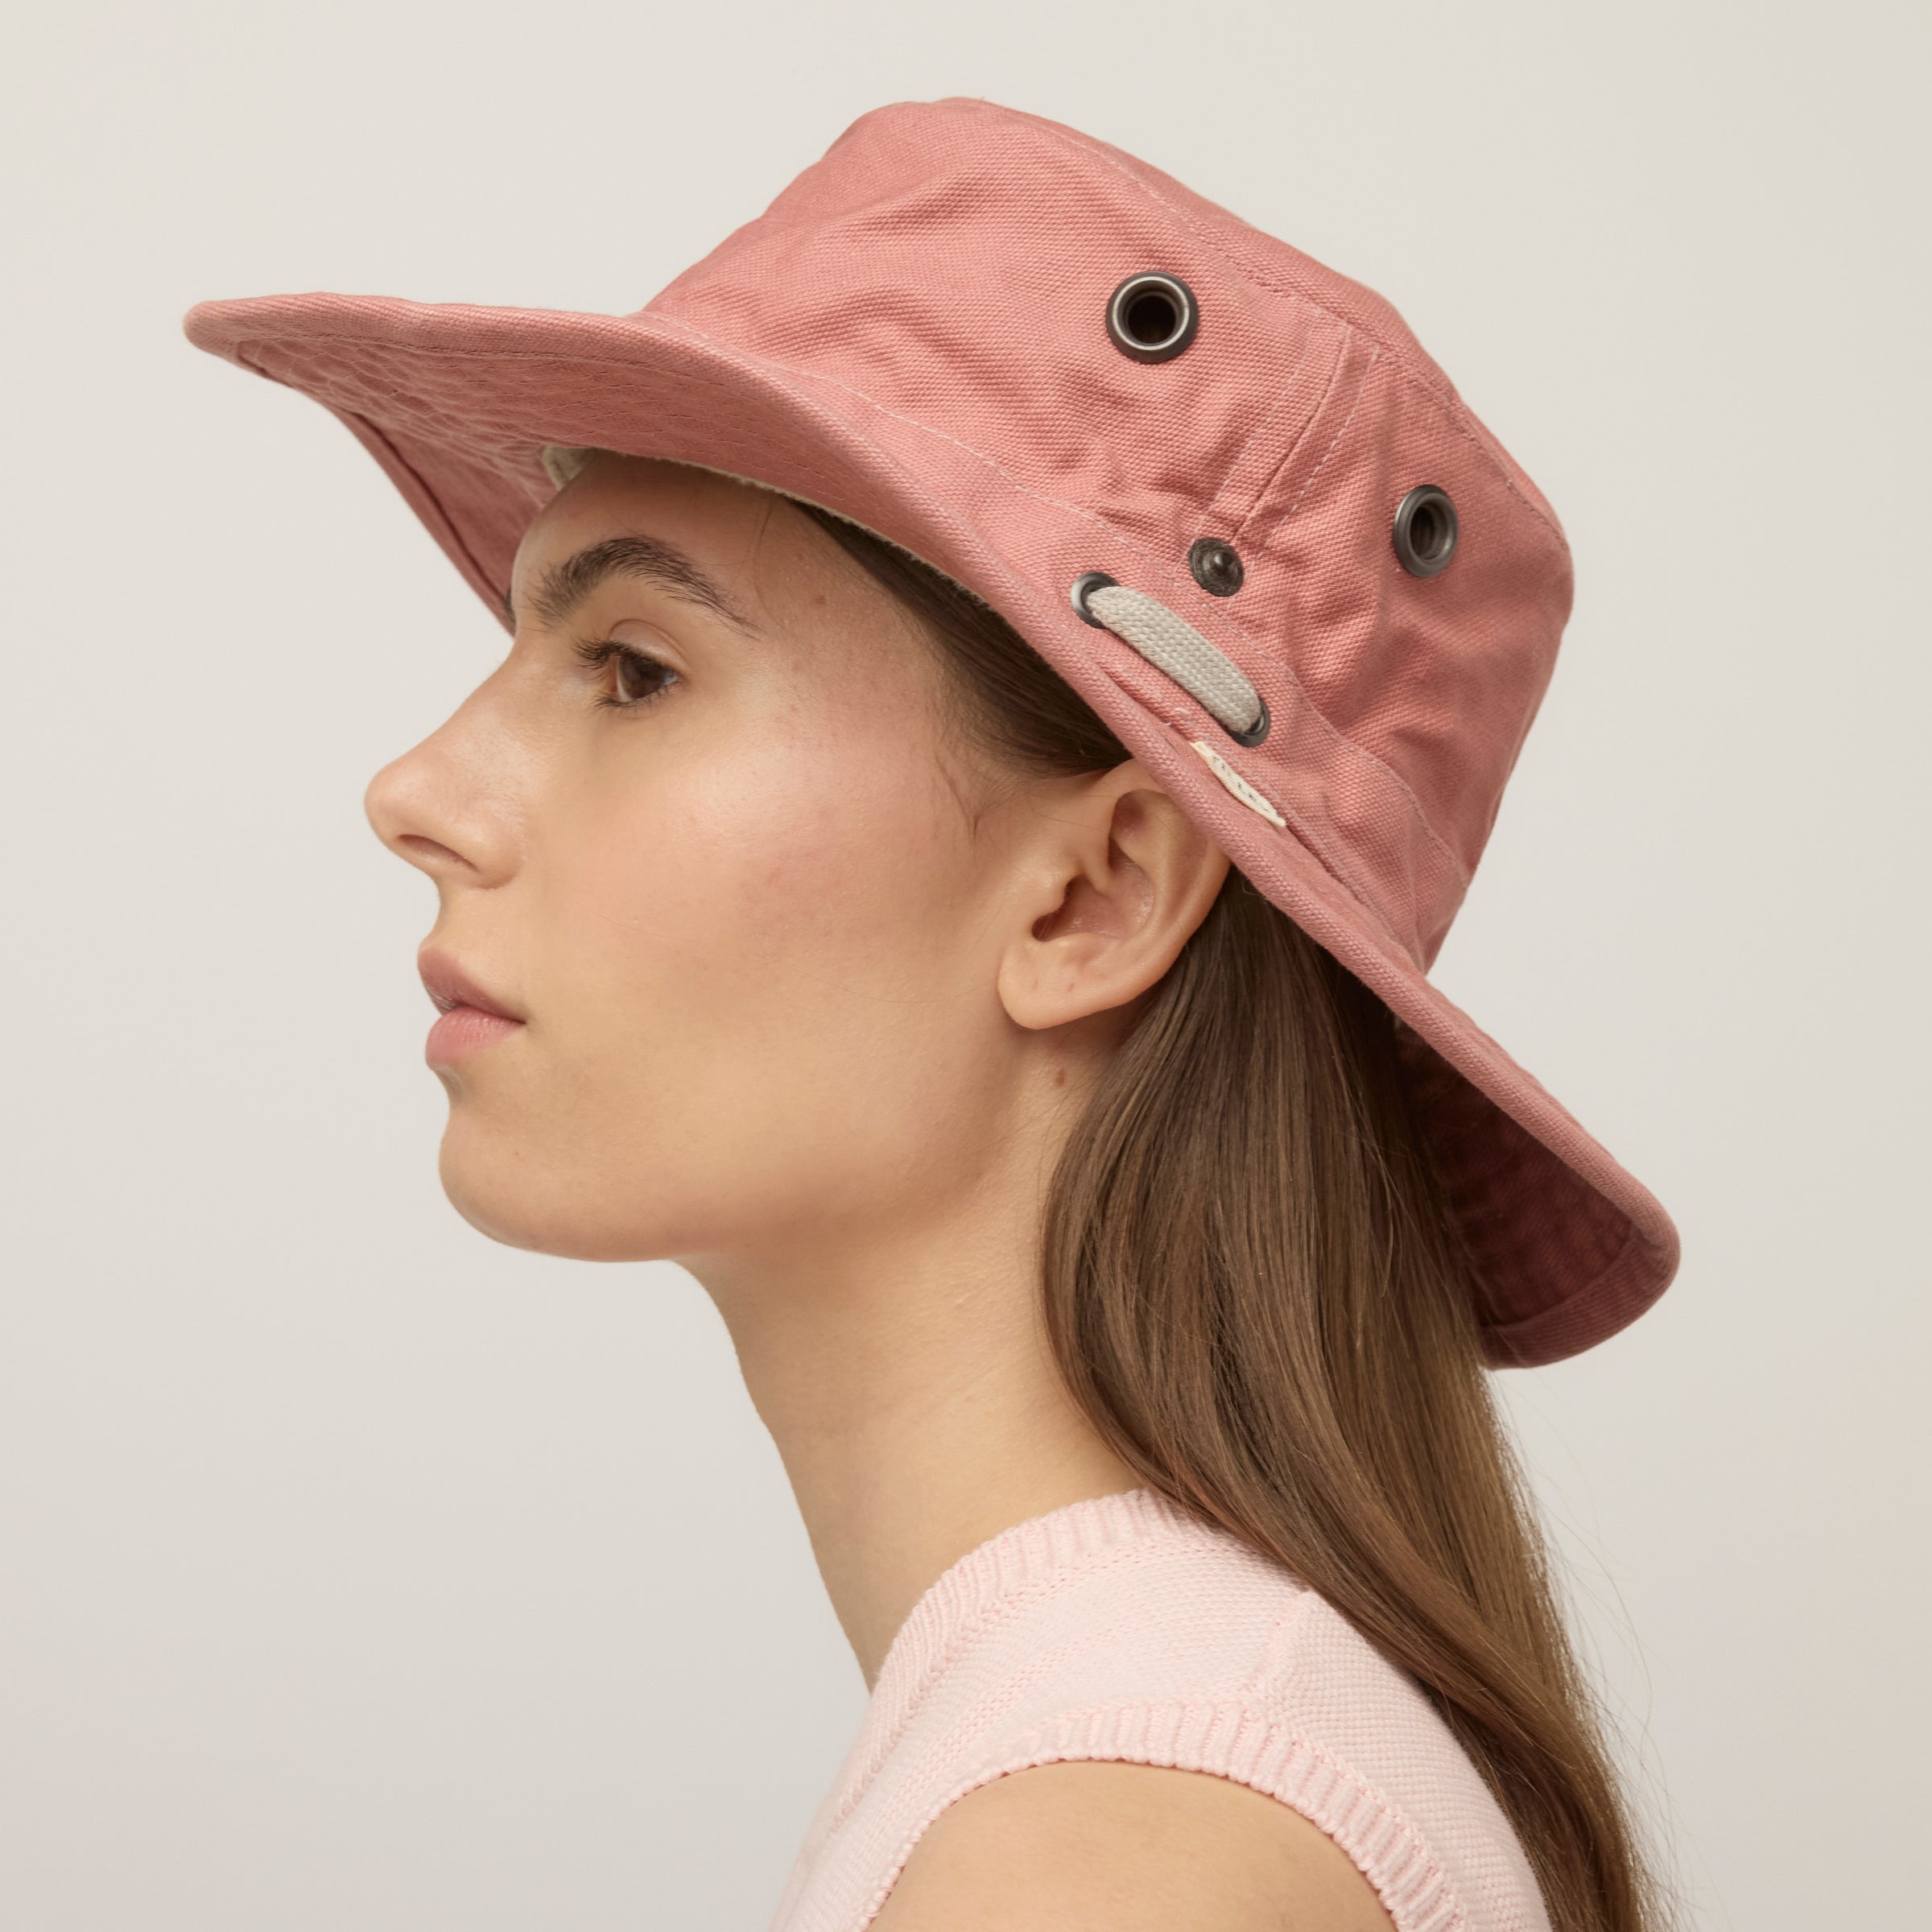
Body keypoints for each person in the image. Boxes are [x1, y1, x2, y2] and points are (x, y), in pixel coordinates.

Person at [184, 97, 1678, 1932]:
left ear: (1090, 898)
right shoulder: (1164, 1761)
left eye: (633, 670)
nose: (418, 792)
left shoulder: (1108, 1861)